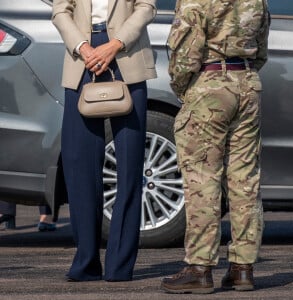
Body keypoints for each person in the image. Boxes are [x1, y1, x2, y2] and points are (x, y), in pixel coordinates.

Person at [161, 0, 270, 294]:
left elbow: (184, 54)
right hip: (247, 83)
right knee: (245, 179)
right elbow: (261, 48)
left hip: (209, 83)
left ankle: (200, 268)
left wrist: (186, 88)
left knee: (202, 178)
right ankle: (242, 268)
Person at [51, 0, 157, 282]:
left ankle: (119, 266)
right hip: (80, 58)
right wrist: (83, 47)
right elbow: (60, 10)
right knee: (79, 166)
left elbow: (146, 7)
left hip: (127, 54)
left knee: (130, 167)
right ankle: (86, 262)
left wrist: (115, 44)